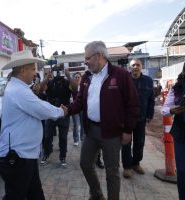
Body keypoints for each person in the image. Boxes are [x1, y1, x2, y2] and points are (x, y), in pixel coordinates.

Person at [66, 41, 139, 200]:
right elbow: (79, 102)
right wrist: (67, 110)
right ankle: (97, 194)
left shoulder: (120, 75)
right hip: (91, 131)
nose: (85, 62)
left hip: (112, 133)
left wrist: (128, 130)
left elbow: (132, 104)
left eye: (87, 58)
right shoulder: (86, 77)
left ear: (99, 56)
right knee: (85, 164)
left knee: (111, 172)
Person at [0, 50, 66, 200]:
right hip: (17, 157)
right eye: (33, 69)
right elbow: (41, 109)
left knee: (34, 194)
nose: (35, 73)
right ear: (23, 70)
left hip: (24, 155)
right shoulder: (17, 90)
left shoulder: (19, 89)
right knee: (17, 196)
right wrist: (61, 111)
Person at [121, 59, 155, 178]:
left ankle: (136, 163)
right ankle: (127, 167)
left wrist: (149, 115)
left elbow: (151, 99)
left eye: (138, 65)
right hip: (127, 118)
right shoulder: (124, 81)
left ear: (142, 66)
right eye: (133, 65)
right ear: (129, 68)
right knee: (126, 143)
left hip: (141, 118)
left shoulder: (148, 81)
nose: (135, 67)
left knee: (139, 142)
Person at [162, 60, 185, 200]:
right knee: (184, 171)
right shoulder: (177, 88)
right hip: (183, 132)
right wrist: (172, 110)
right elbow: (164, 110)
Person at [40, 65, 77, 167]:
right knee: (47, 136)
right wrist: (47, 77)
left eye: (59, 71)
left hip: (63, 113)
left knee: (63, 137)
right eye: (56, 71)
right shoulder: (50, 82)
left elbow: (75, 88)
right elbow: (41, 88)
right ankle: (46, 153)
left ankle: (63, 156)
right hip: (50, 113)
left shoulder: (66, 82)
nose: (58, 73)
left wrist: (69, 76)